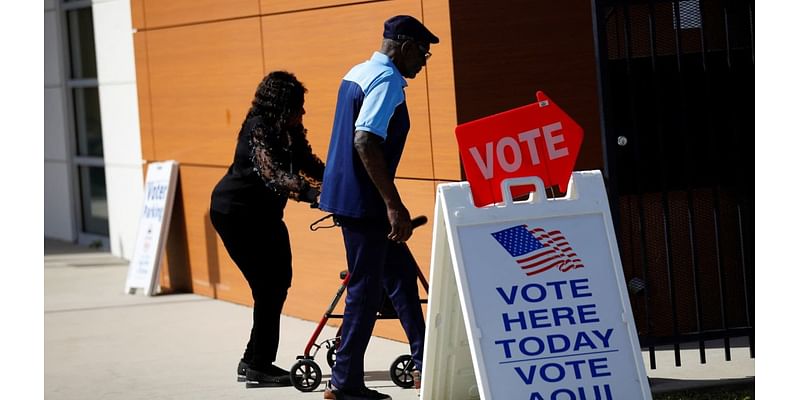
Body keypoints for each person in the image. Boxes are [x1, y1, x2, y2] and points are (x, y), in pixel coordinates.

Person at [318, 15, 439, 400]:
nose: (423, 61)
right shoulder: (386, 81)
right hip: (365, 203)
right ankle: (345, 382)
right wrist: (393, 205)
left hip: (353, 197)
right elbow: (365, 140)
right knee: (365, 291)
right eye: (423, 53)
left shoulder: (357, 71)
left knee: (401, 280)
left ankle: (425, 363)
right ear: (404, 47)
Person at [209, 71, 324, 388]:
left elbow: (306, 162)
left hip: (265, 217)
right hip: (235, 214)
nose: (303, 113)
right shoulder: (257, 129)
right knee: (268, 286)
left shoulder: (289, 130)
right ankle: (259, 363)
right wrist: (313, 194)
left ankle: (253, 360)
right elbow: (272, 174)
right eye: (298, 107)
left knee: (277, 282)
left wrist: (336, 182)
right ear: (282, 107)